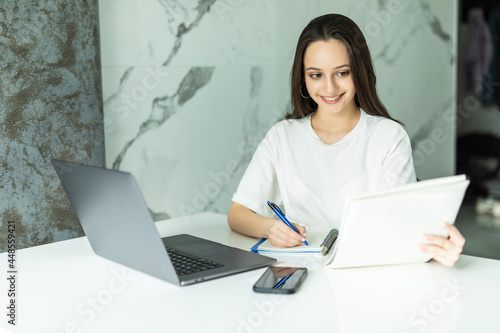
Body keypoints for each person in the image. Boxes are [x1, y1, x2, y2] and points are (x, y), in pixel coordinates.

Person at [227, 14, 465, 267]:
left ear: (359, 72)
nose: (329, 88)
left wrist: (438, 247)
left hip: (369, 273)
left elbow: (401, 227)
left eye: (341, 73)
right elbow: (237, 214)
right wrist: (270, 228)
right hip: (301, 272)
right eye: (316, 75)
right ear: (303, 79)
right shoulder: (282, 136)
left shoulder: (388, 137)